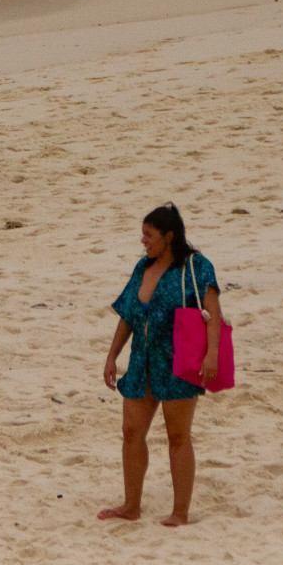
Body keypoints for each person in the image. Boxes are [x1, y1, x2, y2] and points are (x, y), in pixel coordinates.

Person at [98, 203, 226, 527]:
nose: (143, 241)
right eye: (143, 234)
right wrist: (112, 356)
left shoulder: (197, 267)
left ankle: (180, 511)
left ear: (169, 236)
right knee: (130, 432)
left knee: (178, 436)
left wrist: (212, 354)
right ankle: (131, 505)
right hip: (141, 361)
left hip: (180, 360)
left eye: (149, 235)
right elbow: (128, 315)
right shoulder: (143, 268)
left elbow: (213, 314)